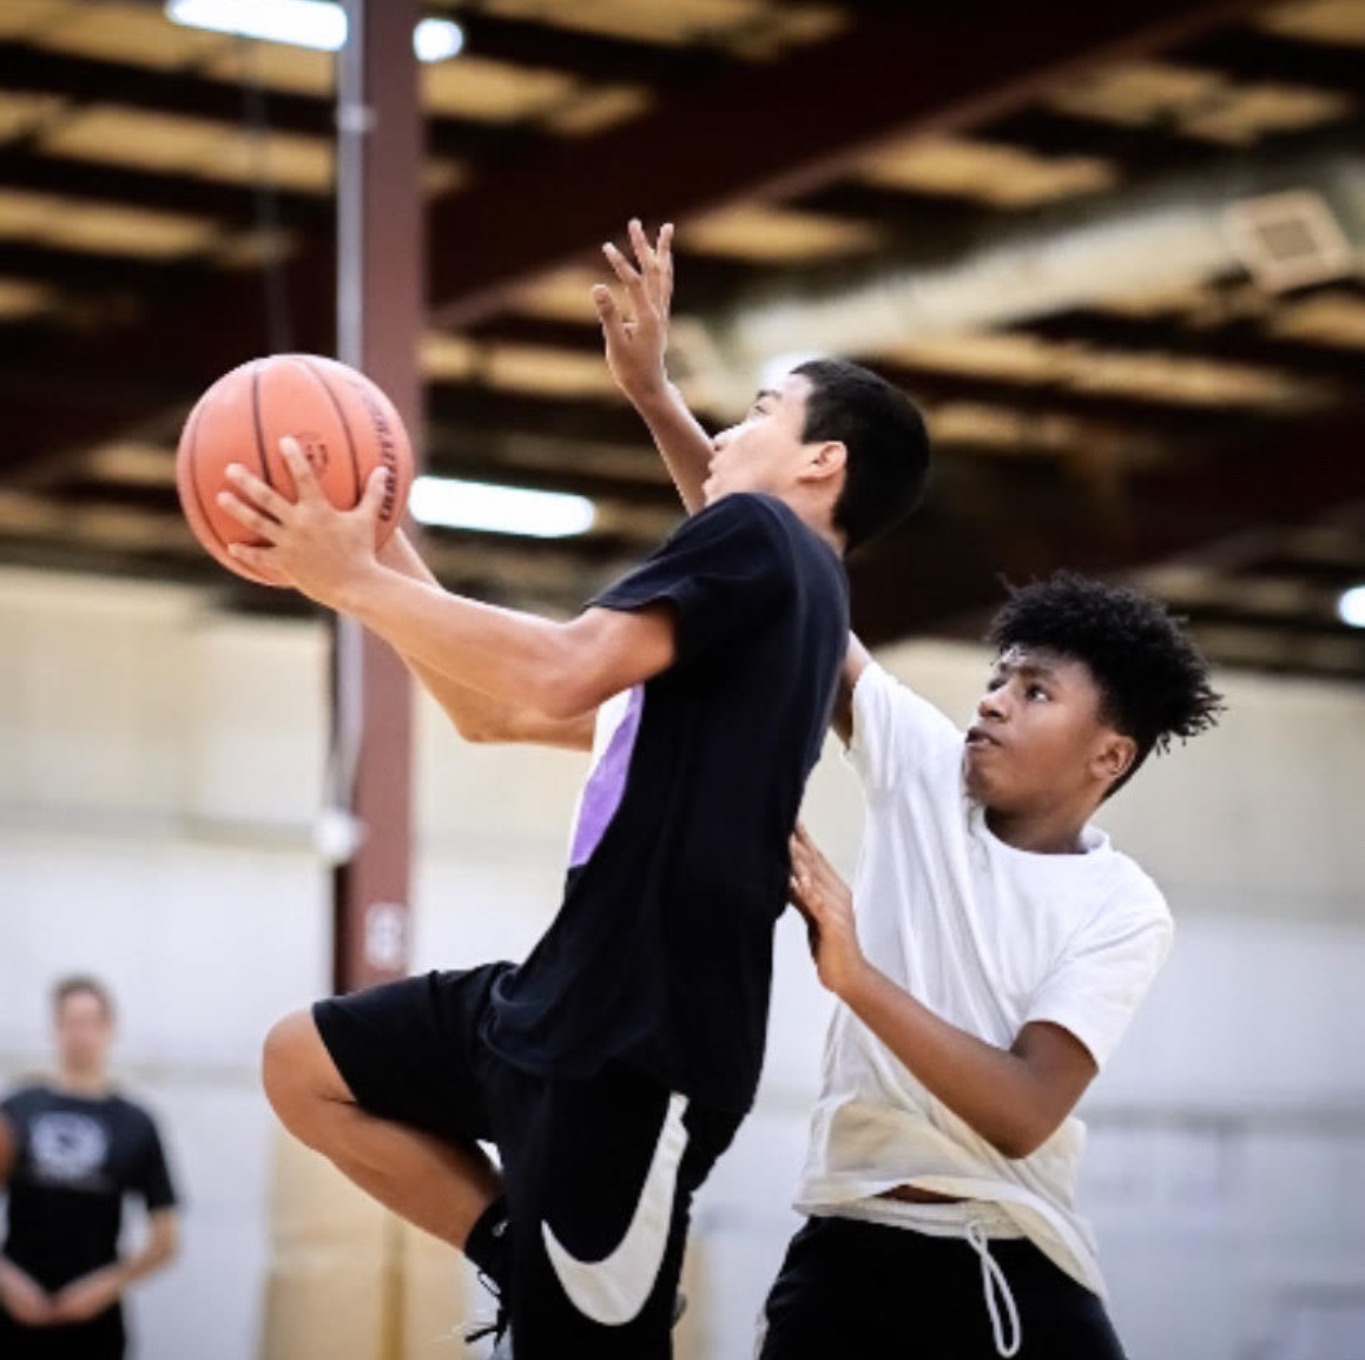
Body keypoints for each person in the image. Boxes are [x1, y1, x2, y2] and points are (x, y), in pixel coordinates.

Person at [221, 228, 930, 1357]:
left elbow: (553, 666)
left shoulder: (761, 546)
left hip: (637, 1051)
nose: (730, 432)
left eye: (757, 410)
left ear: (822, 462)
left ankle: (558, 1291)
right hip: (560, 1004)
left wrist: (348, 575)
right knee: (304, 1063)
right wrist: (374, 539)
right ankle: (519, 1255)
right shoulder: (769, 613)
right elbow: (492, 707)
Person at [599, 222, 1225, 1357]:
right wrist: (653, 396)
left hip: (1013, 1270)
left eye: (1034, 692)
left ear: (1107, 755)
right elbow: (770, 558)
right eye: (996, 676)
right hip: (842, 1247)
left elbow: (1025, 1105)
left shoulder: (1122, 906)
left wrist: (855, 972)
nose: (992, 701)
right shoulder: (927, 768)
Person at [0, 976, 180, 1360]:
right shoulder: (16, 1111)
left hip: (94, 1321)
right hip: (13, 1311)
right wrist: (8, 1281)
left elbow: (165, 1240)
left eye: (89, 1022)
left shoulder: (135, 1123)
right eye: (69, 1022)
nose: (79, 1034)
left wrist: (104, 1286)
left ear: (110, 1028)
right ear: (55, 1028)